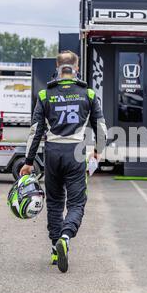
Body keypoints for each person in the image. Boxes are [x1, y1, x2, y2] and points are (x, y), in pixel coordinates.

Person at [20, 50, 108, 273]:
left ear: (57, 68)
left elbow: (35, 131)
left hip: (52, 152)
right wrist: (97, 152)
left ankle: (54, 246)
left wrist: (28, 162)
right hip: (76, 151)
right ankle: (66, 238)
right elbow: (102, 130)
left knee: (55, 203)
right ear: (76, 69)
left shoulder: (44, 94)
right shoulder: (88, 93)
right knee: (77, 203)